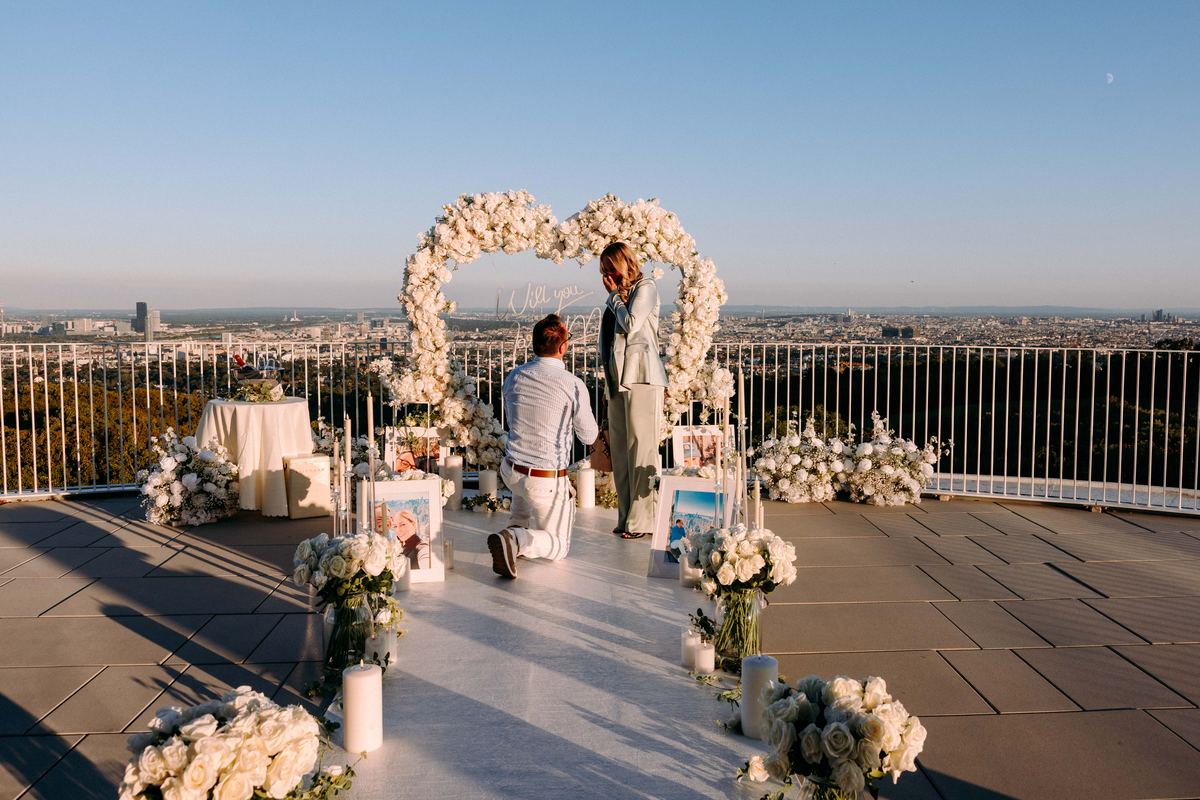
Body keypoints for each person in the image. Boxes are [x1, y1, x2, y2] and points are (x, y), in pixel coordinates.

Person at [488, 314, 598, 579]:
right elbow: (588, 436)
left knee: (523, 493)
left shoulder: (514, 376)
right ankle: (516, 540)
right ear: (562, 347)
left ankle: (515, 528)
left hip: (512, 470)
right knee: (559, 546)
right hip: (544, 479)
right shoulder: (572, 384)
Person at [597, 242, 668, 539]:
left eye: (611, 268)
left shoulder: (646, 287)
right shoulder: (620, 297)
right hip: (617, 380)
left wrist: (614, 296)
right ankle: (626, 517)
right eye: (604, 270)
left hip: (641, 377)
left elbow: (632, 324)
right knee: (622, 452)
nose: (608, 274)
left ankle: (644, 520)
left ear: (625, 263)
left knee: (641, 448)